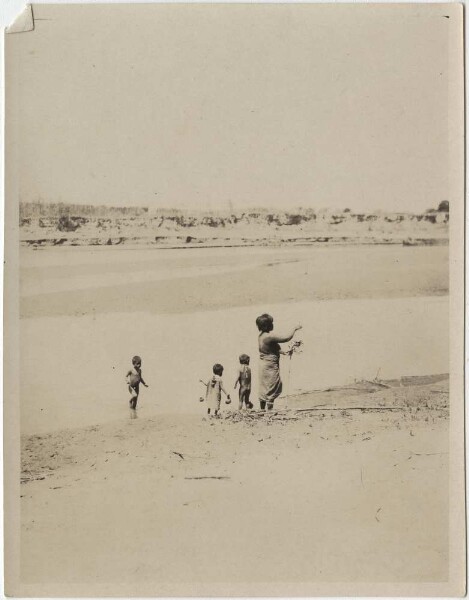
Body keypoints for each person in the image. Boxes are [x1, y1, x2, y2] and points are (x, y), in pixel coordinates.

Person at [256, 314, 302, 410]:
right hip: (270, 366)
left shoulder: (261, 336)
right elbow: (286, 338)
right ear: (266, 326)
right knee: (271, 386)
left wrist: (283, 352)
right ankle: (269, 411)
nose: (273, 325)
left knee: (264, 387)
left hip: (263, 365)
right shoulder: (269, 336)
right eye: (271, 323)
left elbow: (271, 348)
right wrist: (295, 328)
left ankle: (262, 410)